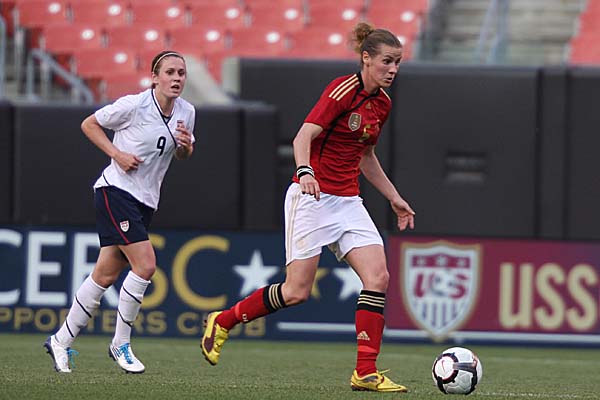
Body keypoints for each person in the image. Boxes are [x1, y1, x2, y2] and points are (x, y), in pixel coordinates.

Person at [201, 22, 415, 392]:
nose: (393, 69)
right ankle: (224, 320)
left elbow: (366, 156)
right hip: (311, 198)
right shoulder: (341, 90)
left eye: (397, 62)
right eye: (387, 61)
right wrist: (304, 173)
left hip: (348, 201)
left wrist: (393, 196)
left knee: (378, 278)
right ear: (366, 58)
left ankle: (365, 372)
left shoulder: (382, 103)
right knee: (296, 292)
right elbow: (303, 136)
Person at [44, 50, 195, 374]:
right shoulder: (134, 105)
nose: (176, 78)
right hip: (116, 191)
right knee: (146, 265)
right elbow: (89, 124)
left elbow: (181, 155)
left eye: (181, 73)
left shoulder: (187, 111)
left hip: (145, 201)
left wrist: (186, 148)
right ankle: (121, 343)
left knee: (105, 275)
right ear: (154, 77)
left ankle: (60, 340)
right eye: (169, 72)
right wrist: (117, 154)